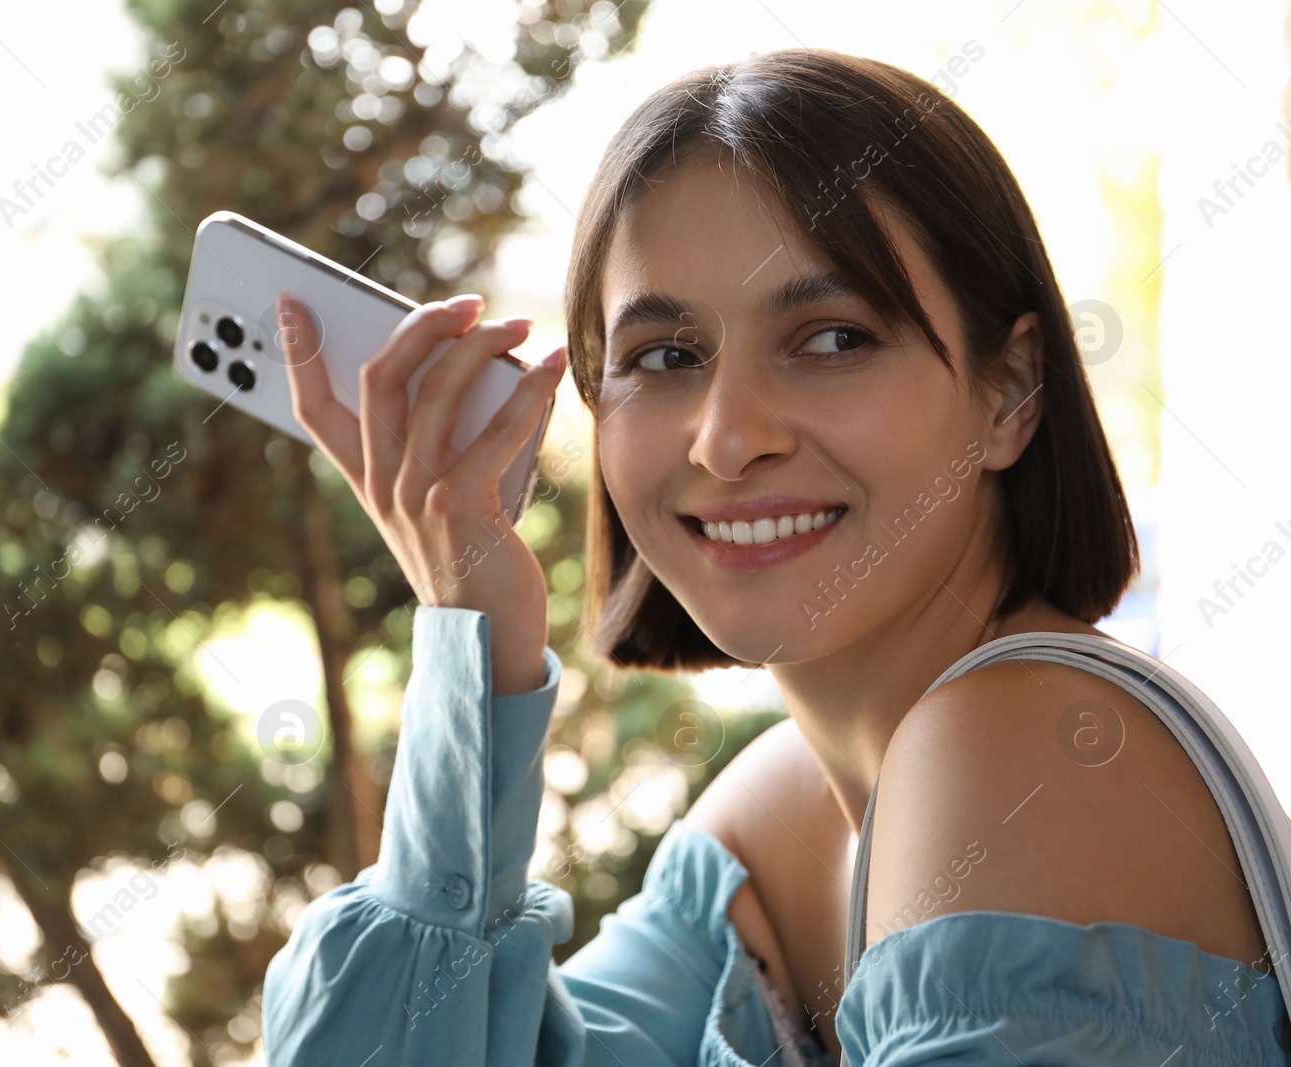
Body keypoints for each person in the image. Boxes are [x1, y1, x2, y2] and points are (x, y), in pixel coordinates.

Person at [261, 46, 1291, 1065]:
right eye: (666, 357)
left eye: (832, 337)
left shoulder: (1021, 748)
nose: (725, 436)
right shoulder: (770, 819)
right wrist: (472, 650)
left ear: (1010, 390)